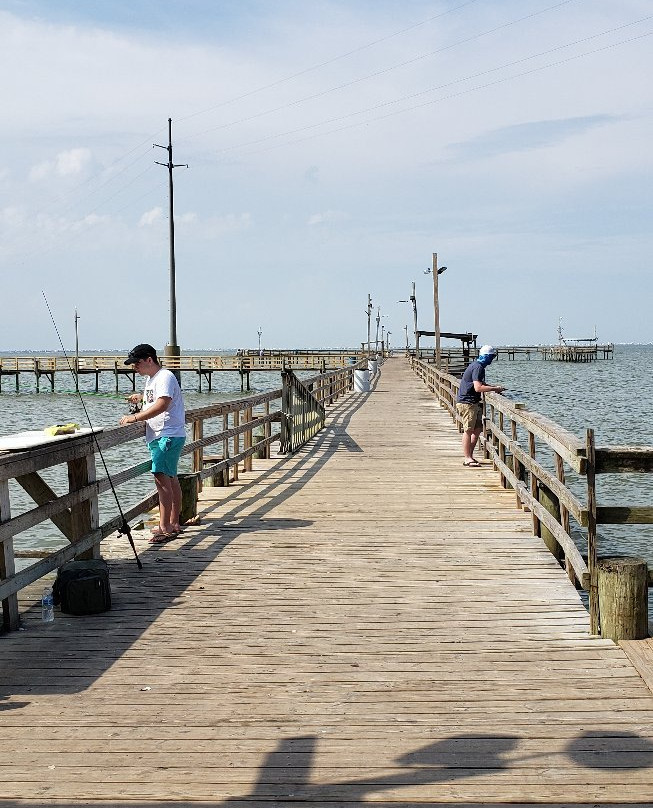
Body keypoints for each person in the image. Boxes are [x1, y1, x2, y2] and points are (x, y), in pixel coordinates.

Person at [119, 344, 186, 542]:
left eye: (137, 363)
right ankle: (173, 523)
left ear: (149, 359)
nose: (135, 368)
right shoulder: (153, 379)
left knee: (161, 479)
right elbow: (156, 399)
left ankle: (164, 526)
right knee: (171, 478)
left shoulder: (165, 376)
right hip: (165, 435)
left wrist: (136, 417)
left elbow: (163, 403)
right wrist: (140, 398)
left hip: (167, 434)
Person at [455, 344, 506, 467]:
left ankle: (470, 456)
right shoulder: (478, 367)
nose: (492, 360)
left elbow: (479, 384)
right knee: (468, 430)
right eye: (491, 357)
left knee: (477, 429)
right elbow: (478, 388)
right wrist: (494, 388)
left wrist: (494, 388)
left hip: (473, 402)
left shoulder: (476, 366)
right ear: (486, 356)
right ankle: (467, 458)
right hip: (468, 403)